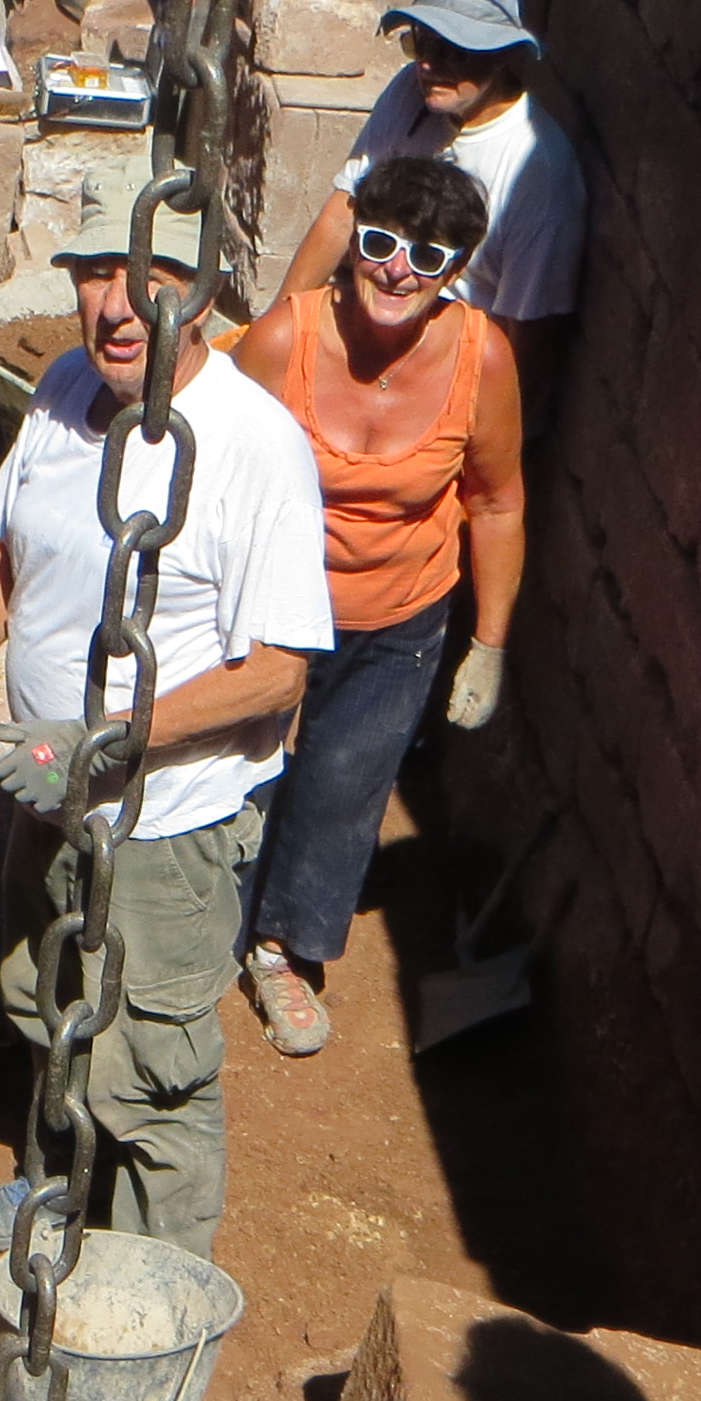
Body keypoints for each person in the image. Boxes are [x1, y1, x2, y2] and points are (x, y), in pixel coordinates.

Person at [0, 172, 331, 1260]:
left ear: (206, 293)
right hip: (45, 794)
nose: (116, 306)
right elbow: (4, 538)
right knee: (44, 996)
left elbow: (275, 674)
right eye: (96, 274)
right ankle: (56, 1187)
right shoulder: (61, 386)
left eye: (152, 278)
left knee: (151, 1068)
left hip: (161, 823)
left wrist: (95, 745)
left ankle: (156, 1285)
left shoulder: (254, 446)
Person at [229, 153, 522, 1055]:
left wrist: (489, 644)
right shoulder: (285, 337)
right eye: (383, 244)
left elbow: (496, 501)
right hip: (270, 600)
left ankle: (281, 950)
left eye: (427, 257)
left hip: (400, 610)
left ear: (455, 270)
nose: (398, 271)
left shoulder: (482, 357)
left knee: (343, 784)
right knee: (230, 764)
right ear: (354, 241)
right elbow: (210, 469)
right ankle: (202, 923)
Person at [272, 0, 585, 418]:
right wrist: (277, 330)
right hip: (374, 306)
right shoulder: (412, 90)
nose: (427, 65)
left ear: (502, 57)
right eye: (420, 42)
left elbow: (526, 332)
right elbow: (342, 214)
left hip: (450, 364)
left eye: (453, 51)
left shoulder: (538, 172)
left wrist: (474, 427)